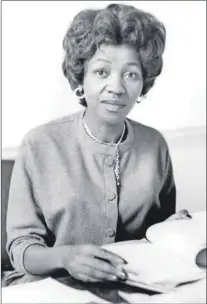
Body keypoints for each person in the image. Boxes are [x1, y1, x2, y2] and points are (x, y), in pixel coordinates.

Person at [4, 3, 190, 287]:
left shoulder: (155, 145)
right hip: (50, 286)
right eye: (102, 72)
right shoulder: (39, 144)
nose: (116, 87)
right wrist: (66, 257)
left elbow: (154, 239)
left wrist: (174, 231)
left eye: (130, 74)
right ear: (81, 78)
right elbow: (21, 249)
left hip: (129, 286)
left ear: (143, 83)